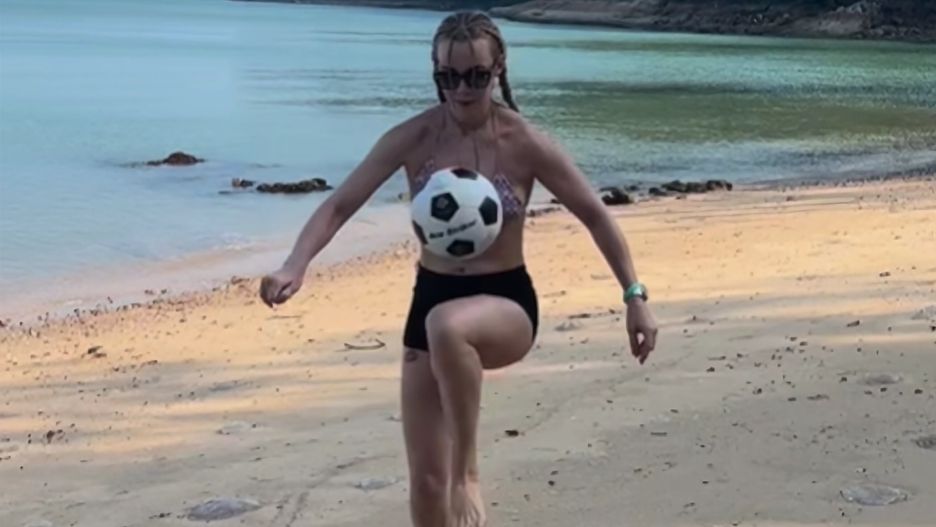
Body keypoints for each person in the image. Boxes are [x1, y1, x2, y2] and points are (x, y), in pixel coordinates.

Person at [259, 10, 658, 527]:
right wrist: (295, 265)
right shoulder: (414, 137)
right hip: (431, 296)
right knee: (427, 483)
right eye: (449, 77)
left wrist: (634, 297)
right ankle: (449, 488)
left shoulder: (525, 142)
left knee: (448, 328)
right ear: (435, 72)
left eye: (476, 76)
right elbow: (340, 204)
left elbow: (595, 215)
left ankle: (467, 472)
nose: (462, 90)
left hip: (505, 303)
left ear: (499, 69)